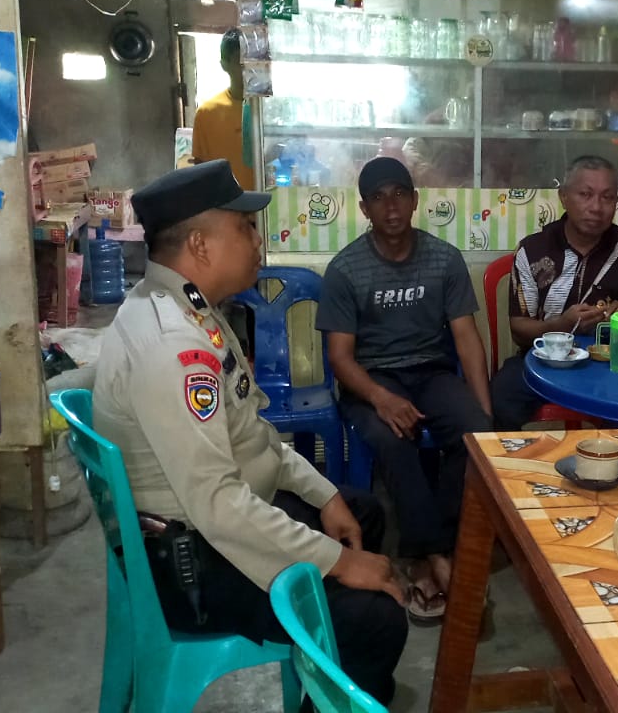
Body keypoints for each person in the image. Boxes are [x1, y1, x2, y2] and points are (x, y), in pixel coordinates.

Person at [92, 160, 406, 706]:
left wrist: (322, 493)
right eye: (245, 228)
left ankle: (328, 673)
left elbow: (252, 431)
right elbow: (218, 504)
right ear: (200, 245)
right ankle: (341, 667)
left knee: (359, 513)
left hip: (208, 520)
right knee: (376, 619)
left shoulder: (188, 309)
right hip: (192, 562)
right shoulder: (173, 347)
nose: (258, 240)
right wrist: (338, 563)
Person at [317, 157, 492, 624]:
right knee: (393, 440)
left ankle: (435, 549)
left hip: (431, 373)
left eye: (399, 194)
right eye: (378, 197)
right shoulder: (346, 269)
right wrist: (380, 397)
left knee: (474, 433)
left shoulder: (443, 258)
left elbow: (466, 338)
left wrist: (485, 412)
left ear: (415, 201)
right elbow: (339, 358)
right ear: (364, 208)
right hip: (371, 379)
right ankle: (433, 559)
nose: (391, 206)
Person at [490, 156, 618, 431]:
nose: (596, 207)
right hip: (546, 361)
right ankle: (511, 470)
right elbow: (519, 329)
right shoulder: (533, 250)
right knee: (501, 394)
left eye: (607, 197)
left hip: (613, 364)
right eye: (585, 195)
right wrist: (562, 325)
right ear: (564, 197)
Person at [191, 30, 256, 189]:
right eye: (241, 63)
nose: (249, 69)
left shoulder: (275, 112)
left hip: (275, 206)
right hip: (229, 208)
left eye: (254, 61)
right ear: (224, 65)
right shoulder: (207, 113)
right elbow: (200, 170)